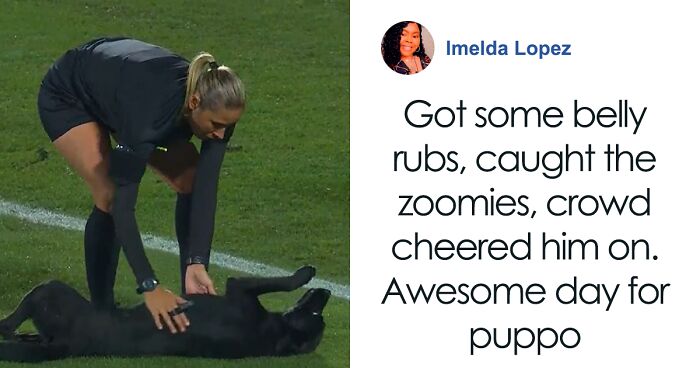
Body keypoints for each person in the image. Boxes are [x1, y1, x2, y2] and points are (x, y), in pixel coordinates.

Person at [37, 37, 245, 334]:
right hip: (70, 94)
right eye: (215, 125)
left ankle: (193, 291)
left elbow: (206, 187)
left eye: (227, 125)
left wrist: (196, 262)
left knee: (191, 179)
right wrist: (149, 285)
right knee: (108, 194)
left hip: (119, 86)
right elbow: (124, 205)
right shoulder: (149, 118)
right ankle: (102, 313)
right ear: (194, 103)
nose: (220, 134)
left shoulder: (220, 107)